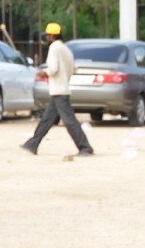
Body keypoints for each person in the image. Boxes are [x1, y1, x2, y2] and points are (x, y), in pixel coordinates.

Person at [22, 22, 94, 157]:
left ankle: (85, 147)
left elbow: (54, 68)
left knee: (69, 121)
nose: (47, 38)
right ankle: (32, 144)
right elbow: (72, 69)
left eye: (48, 35)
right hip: (60, 89)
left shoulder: (54, 48)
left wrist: (44, 72)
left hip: (59, 90)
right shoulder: (66, 49)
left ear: (51, 36)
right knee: (47, 120)